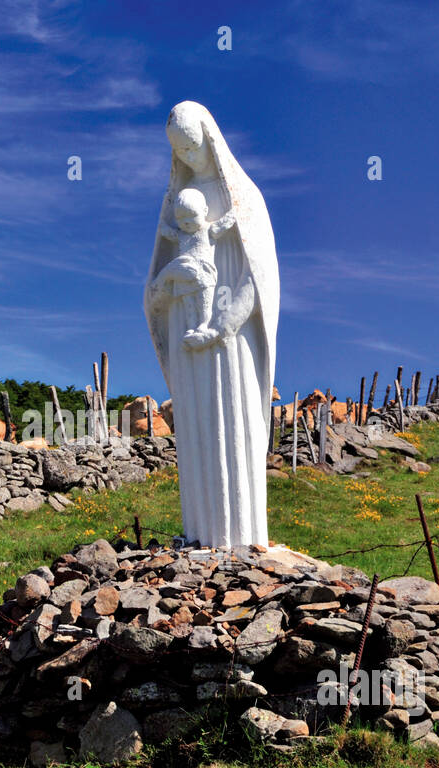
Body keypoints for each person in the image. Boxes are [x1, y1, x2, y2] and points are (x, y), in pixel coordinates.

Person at [144, 100, 279, 549]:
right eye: (178, 151)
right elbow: (157, 279)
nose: (187, 156)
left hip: (229, 335)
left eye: (193, 146)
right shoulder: (175, 205)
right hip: (186, 327)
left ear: (211, 138)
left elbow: (258, 276)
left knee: (232, 425)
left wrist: (227, 321)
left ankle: (243, 540)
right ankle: (200, 535)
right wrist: (162, 291)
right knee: (199, 430)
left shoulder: (243, 198)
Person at [150, 187, 237, 351]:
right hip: (183, 275)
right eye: (181, 219)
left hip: (203, 272)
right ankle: (191, 326)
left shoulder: (208, 230)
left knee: (204, 301)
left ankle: (204, 324)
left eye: (192, 216)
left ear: (205, 211)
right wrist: (163, 223)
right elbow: (168, 233)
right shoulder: (181, 234)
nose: (186, 222)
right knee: (188, 302)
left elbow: (224, 224)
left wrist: (235, 211)